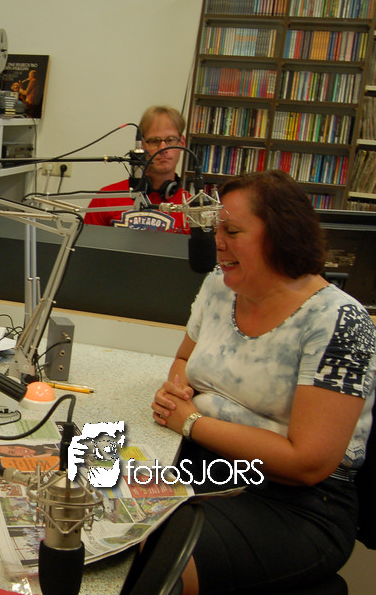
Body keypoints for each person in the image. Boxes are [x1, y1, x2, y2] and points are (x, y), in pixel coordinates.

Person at [149, 170, 375, 594]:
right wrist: (177, 390)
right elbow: (184, 359)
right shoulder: (219, 286)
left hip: (294, 504)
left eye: (232, 231)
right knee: (85, 490)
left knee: (152, 555)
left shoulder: (339, 320)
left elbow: (307, 462)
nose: (217, 241)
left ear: (282, 236)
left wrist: (191, 421)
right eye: (217, 229)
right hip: (204, 465)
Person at [86, 105, 191, 233]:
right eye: (154, 141)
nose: (163, 148)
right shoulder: (106, 199)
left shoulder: (193, 209)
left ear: (182, 143)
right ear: (141, 145)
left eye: (171, 140)